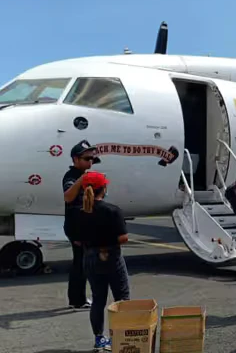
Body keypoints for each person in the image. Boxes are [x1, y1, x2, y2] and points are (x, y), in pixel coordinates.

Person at [78, 172, 130, 351]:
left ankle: (99, 339)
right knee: (122, 298)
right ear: (104, 188)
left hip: (90, 257)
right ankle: (122, 337)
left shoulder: (80, 213)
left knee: (98, 299)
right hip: (111, 256)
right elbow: (123, 238)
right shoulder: (112, 210)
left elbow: (77, 240)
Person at [62, 140, 101, 309]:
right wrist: (82, 180)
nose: (90, 162)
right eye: (86, 158)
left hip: (83, 225)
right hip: (76, 226)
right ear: (75, 159)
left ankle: (77, 299)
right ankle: (77, 300)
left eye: (92, 159)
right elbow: (68, 197)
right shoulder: (71, 176)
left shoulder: (85, 175)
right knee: (80, 263)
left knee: (82, 262)